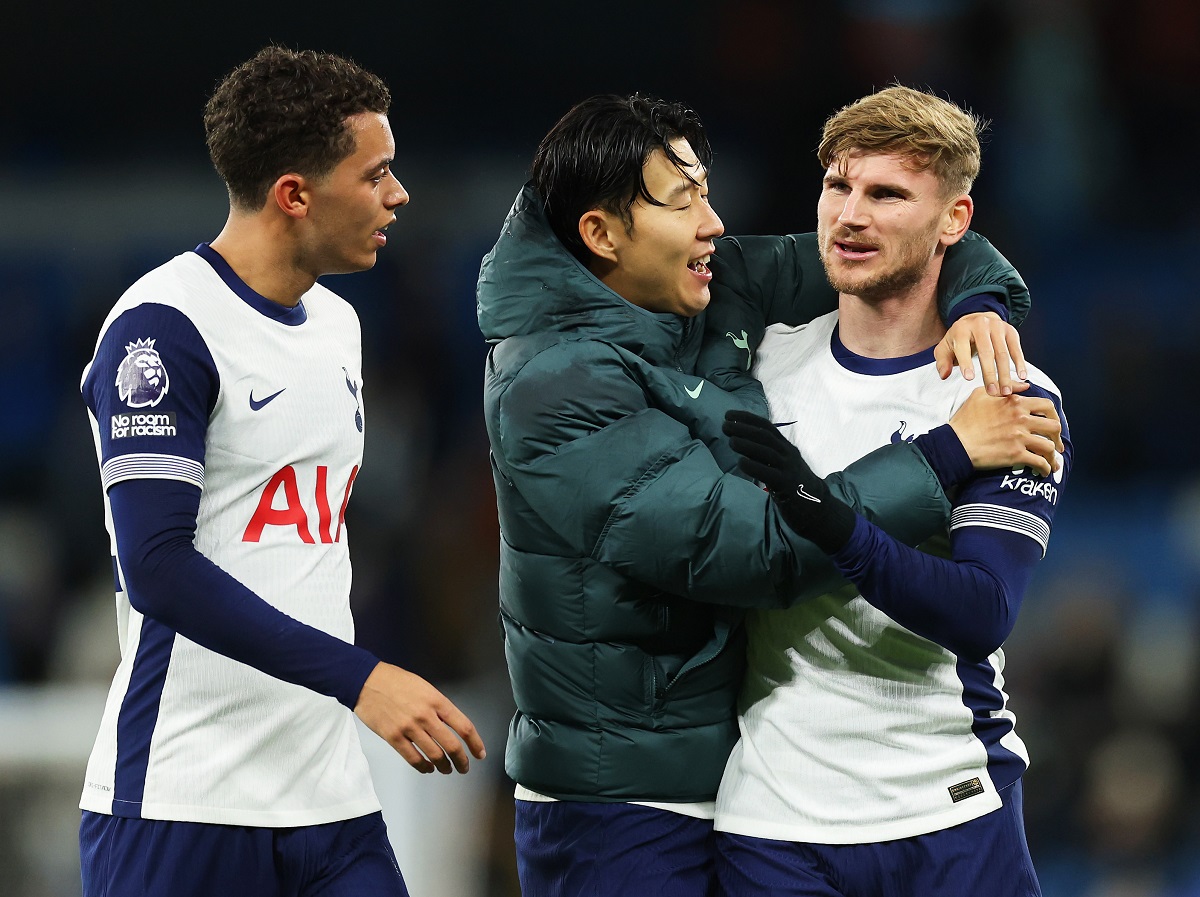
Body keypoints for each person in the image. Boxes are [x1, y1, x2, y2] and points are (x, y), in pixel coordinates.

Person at [476, 93, 1062, 897]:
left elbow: (892, 244)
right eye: (685, 202)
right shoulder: (556, 381)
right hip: (620, 796)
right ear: (601, 235)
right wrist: (946, 452)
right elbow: (740, 548)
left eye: (707, 193)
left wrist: (982, 298)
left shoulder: (707, 296)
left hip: (774, 783)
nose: (716, 223)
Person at [77, 46, 485, 897]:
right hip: (184, 801)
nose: (398, 195)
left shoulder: (339, 325)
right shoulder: (163, 328)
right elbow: (157, 566)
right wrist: (360, 676)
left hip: (327, 795)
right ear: (295, 195)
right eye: (377, 174)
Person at [712, 85, 1071, 897]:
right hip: (774, 823)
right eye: (838, 186)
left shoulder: (1002, 393)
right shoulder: (756, 370)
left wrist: (838, 523)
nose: (850, 215)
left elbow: (981, 610)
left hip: (949, 808)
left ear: (954, 219)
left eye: (887, 194)